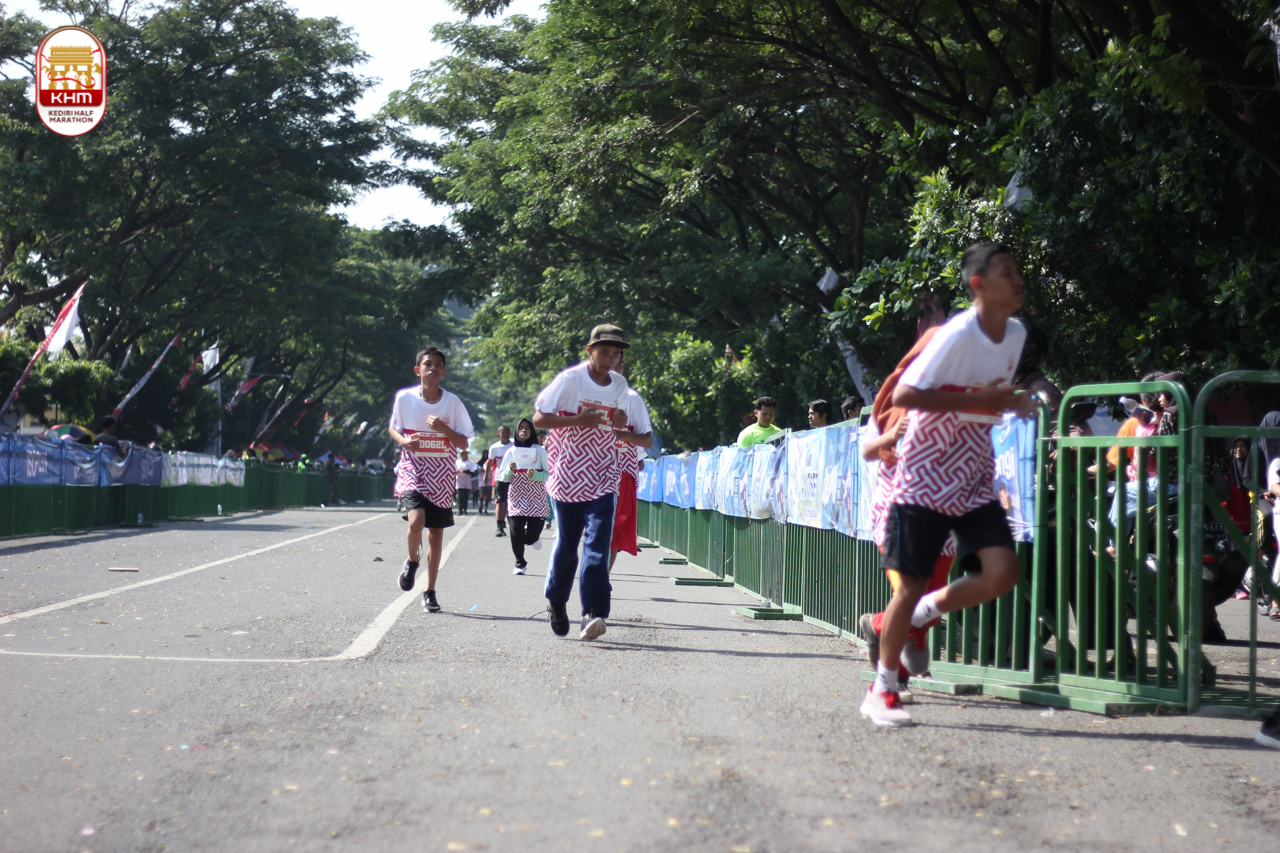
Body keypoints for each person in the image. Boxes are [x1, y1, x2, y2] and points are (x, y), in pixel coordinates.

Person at [862, 243, 1034, 727]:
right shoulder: (957, 333)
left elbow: (987, 399)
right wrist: (980, 400)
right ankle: (882, 689)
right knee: (909, 584)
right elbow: (906, 392)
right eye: (1006, 272)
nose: (1017, 280)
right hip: (924, 473)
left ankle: (922, 615)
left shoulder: (1016, 332)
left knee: (1002, 573)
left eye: (1017, 271)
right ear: (978, 284)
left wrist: (1014, 401)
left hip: (974, 472)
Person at [858, 326, 957, 697]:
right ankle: (892, 680)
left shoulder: (967, 395)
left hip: (945, 516)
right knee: (911, 598)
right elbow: (870, 450)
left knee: (931, 601)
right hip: (897, 512)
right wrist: (892, 437)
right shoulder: (898, 396)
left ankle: (877, 625)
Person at [533, 323, 633, 641]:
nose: (610, 359)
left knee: (598, 543)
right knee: (567, 544)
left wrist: (619, 421)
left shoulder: (620, 384)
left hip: (604, 473)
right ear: (590, 350)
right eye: (604, 352)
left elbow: (618, 421)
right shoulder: (570, 380)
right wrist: (578, 420)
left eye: (615, 354)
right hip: (568, 473)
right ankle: (556, 600)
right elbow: (539, 418)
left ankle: (593, 612)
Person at [387, 346, 475, 614]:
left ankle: (430, 591)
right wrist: (404, 442)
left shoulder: (453, 403)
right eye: (428, 363)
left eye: (438, 364)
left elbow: (463, 443)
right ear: (418, 370)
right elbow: (394, 428)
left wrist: (443, 428)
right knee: (416, 521)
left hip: (442, 475)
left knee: (436, 535)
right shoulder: (405, 398)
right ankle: (412, 561)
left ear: (444, 372)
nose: (433, 367)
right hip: (413, 468)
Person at [609, 359, 655, 571]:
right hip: (588, 476)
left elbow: (647, 440)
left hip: (620, 476)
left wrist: (623, 436)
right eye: (609, 361)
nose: (615, 369)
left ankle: (599, 580)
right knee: (590, 531)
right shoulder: (584, 392)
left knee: (614, 530)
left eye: (619, 365)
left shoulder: (632, 398)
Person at [497, 418, 551, 575]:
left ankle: (533, 539)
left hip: (536, 496)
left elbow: (549, 474)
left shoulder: (540, 451)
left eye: (527, 428)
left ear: (532, 431)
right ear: (517, 431)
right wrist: (510, 469)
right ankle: (520, 563)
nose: (524, 431)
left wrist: (536, 475)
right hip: (516, 496)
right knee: (516, 531)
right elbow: (502, 477)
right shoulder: (511, 451)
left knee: (532, 534)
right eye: (521, 428)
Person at [487, 425, 514, 537]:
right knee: (500, 502)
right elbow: (490, 462)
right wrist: (486, 475)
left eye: (507, 432)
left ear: (510, 434)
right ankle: (499, 526)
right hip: (500, 478)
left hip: (513, 478)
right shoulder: (494, 447)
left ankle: (513, 526)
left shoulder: (515, 445)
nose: (505, 435)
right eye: (503, 433)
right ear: (498, 434)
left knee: (512, 502)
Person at [455, 449, 477, 515]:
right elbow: (454, 470)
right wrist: (458, 471)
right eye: (462, 454)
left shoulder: (469, 462)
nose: (463, 456)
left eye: (464, 454)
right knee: (460, 496)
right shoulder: (457, 462)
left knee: (465, 496)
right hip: (459, 480)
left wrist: (465, 471)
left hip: (467, 481)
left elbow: (473, 472)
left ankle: (465, 509)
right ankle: (460, 509)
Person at [477, 449, 492, 514]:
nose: (486, 455)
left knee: (487, 495)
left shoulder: (491, 462)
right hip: (481, 480)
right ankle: (480, 506)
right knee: (481, 495)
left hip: (489, 480)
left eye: (487, 454)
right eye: (485, 453)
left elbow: (492, 469)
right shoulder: (479, 463)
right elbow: (476, 470)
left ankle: (486, 508)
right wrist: (483, 469)